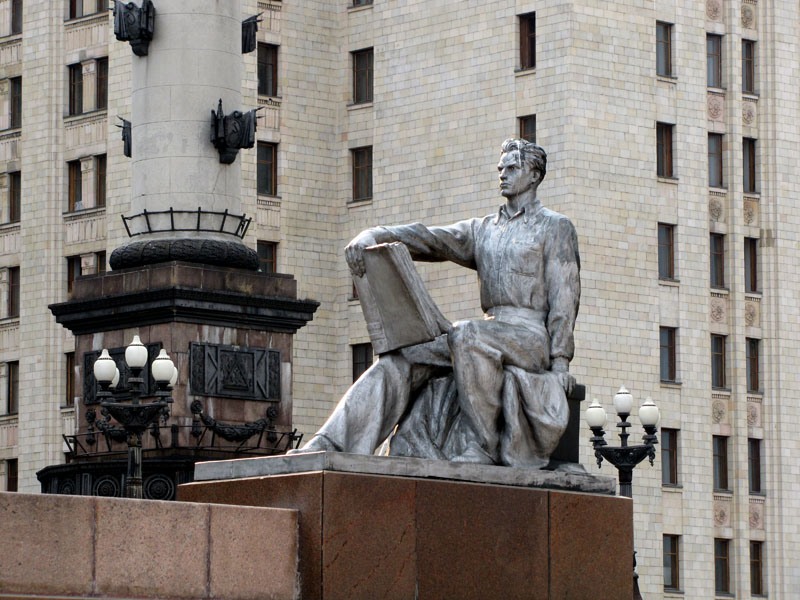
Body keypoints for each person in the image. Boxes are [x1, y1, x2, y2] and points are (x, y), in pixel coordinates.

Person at [294, 139, 581, 467]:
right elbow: (428, 238)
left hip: (530, 336)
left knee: (466, 334)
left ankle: (482, 446)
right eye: (500, 168)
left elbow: (564, 297)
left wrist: (560, 363)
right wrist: (376, 234)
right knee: (404, 355)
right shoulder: (483, 229)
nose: (503, 174)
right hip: (490, 330)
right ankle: (332, 442)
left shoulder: (555, 227)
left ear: (534, 176)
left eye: (512, 168)